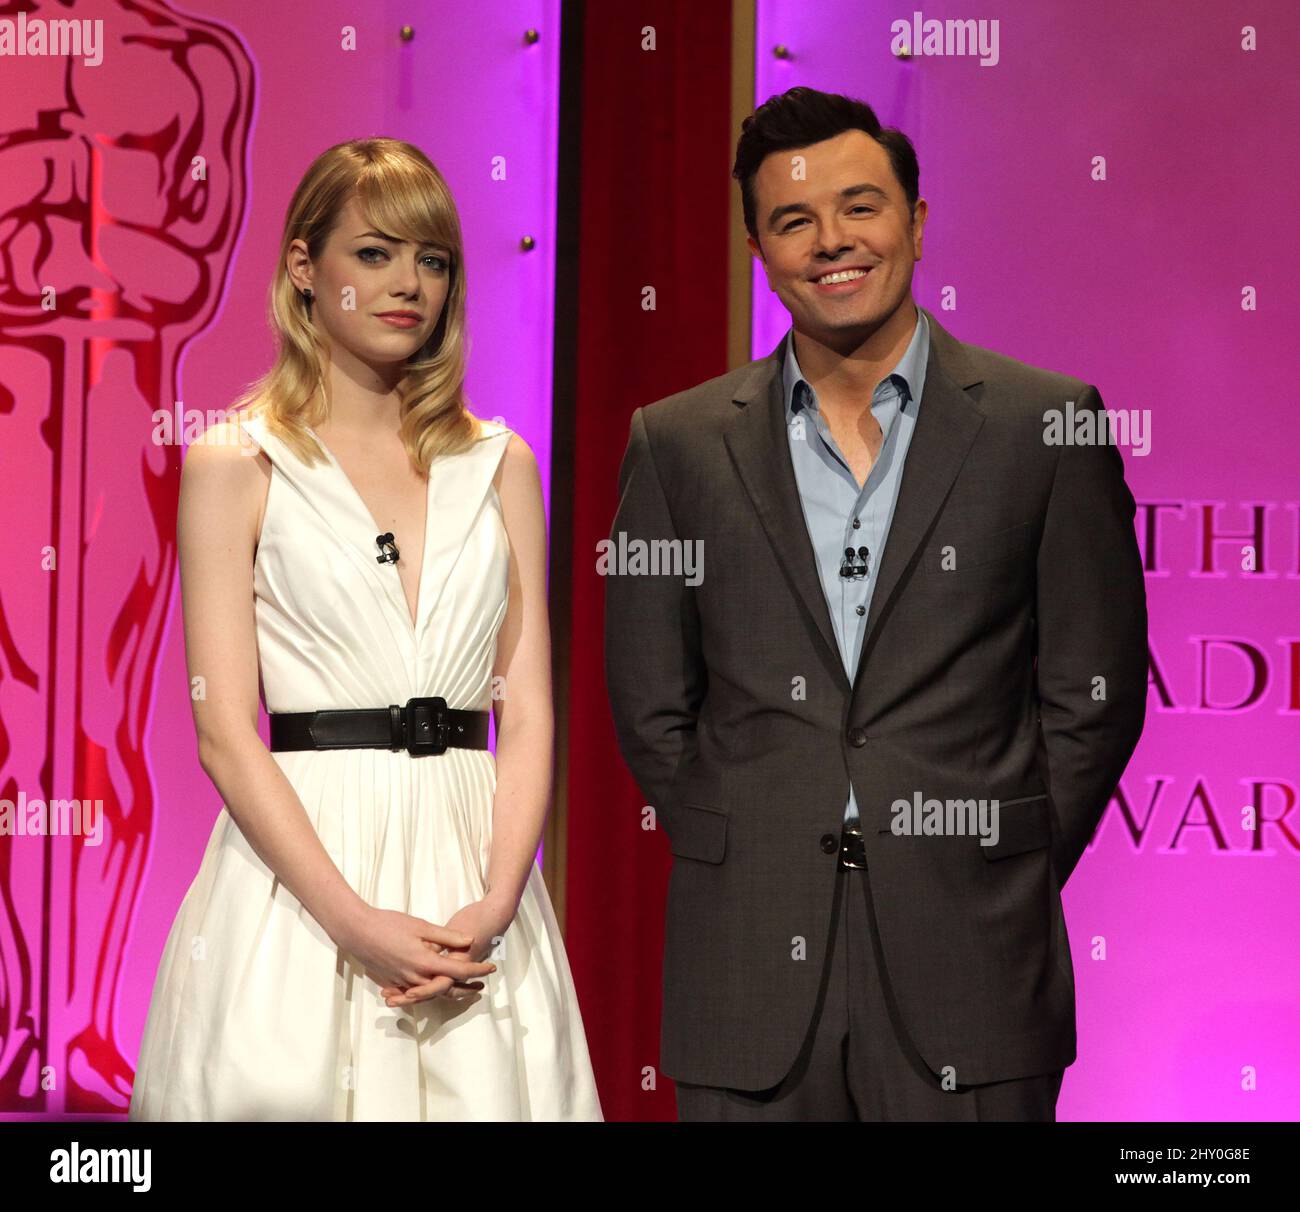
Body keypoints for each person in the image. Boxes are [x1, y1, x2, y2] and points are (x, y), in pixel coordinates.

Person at [604, 87, 1147, 1121]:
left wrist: (1003, 856)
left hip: (975, 957)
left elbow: (1094, 690)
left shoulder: (1044, 422)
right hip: (748, 964)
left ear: (915, 221)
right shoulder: (674, 445)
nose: (832, 242)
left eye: (860, 207)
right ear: (757, 247)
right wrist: (750, 836)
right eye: (793, 221)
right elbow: (650, 705)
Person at [129, 138, 602, 1121]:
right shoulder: (235, 461)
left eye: (432, 261)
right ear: (306, 270)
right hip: (304, 882)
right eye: (376, 254)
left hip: (477, 882)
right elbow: (222, 730)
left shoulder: (501, 463)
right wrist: (352, 922)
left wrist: (498, 901)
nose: (408, 285)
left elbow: (531, 712)